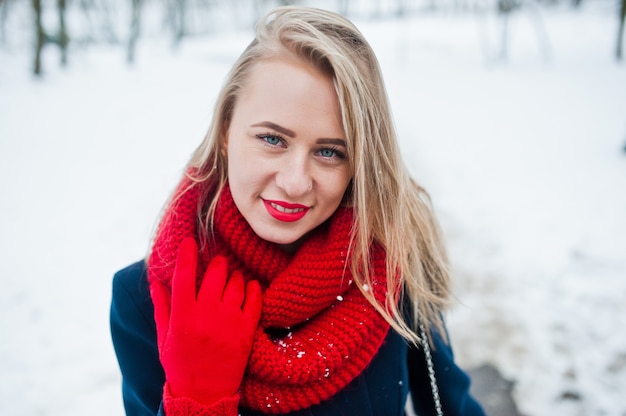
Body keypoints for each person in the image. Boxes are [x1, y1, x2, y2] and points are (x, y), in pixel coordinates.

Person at [110, 6, 485, 416]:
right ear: (225, 133)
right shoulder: (145, 298)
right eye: (272, 139)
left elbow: (451, 405)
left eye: (329, 152)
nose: (295, 182)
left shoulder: (391, 259)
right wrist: (197, 402)